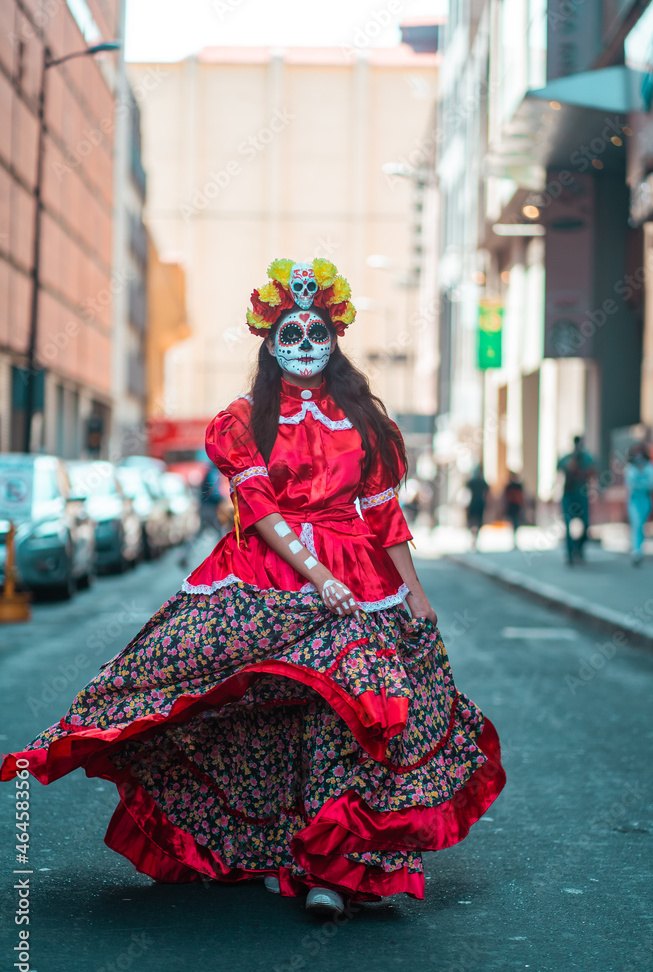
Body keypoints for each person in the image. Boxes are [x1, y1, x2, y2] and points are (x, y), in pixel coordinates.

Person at [0, 258, 505, 918]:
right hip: (264, 580)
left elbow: (383, 514)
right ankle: (272, 850)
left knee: (350, 716)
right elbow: (261, 510)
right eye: (289, 336)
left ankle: (334, 871)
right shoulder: (242, 419)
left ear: (335, 340)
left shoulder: (368, 421)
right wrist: (318, 577)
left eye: (316, 334)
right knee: (229, 702)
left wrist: (414, 589)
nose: (303, 347)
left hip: (362, 585)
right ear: (269, 345)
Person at [178, 461, 231, 569]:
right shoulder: (213, 472)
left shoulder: (210, 471)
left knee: (198, 534)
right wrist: (226, 498)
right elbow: (214, 492)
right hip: (210, 509)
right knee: (221, 535)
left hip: (205, 508)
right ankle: (224, 560)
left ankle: (184, 556)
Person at [557, 435, 595, 564]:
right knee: (568, 525)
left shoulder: (587, 458)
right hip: (569, 495)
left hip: (582, 495)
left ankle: (578, 548)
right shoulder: (567, 458)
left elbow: (593, 471)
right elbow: (561, 468)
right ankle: (569, 553)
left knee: (586, 524)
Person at [624, 443, 653, 566]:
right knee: (636, 524)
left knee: (642, 526)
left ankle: (639, 548)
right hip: (634, 501)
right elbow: (631, 486)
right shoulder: (630, 469)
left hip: (646, 500)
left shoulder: (649, 468)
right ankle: (636, 552)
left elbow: (652, 485)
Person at [466, 465, 489, 550]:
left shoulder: (474, 482)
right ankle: (474, 539)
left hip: (475, 503)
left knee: (474, 521)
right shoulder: (481, 482)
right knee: (476, 521)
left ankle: (474, 539)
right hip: (478, 503)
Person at [503, 471, 524, 548]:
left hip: (516, 505)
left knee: (515, 521)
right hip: (512, 505)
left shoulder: (518, 486)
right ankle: (514, 537)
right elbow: (506, 497)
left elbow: (521, 496)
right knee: (513, 521)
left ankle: (515, 537)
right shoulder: (510, 486)